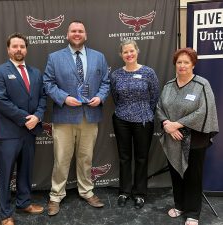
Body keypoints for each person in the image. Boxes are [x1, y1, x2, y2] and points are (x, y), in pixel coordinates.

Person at [43, 20, 110, 216]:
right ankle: (56, 196)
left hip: (90, 116)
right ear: (67, 34)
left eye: (80, 31)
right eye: (73, 31)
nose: (77, 33)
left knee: (86, 158)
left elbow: (105, 82)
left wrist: (100, 97)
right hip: (64, 116)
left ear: (85, 35)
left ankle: (87, 191)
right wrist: (64, 98)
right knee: (61, 159)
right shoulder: (55, 58)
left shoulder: (99, 57)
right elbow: (48, 83)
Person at [156, 48, 219, 225]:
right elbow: (160, 107)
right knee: (176, 173)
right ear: (175, 64)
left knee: (193, 176)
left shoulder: (201, 84)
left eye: (186, 62)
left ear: (193, 64)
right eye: (179, 62)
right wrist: (167, 124)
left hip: (195, 139)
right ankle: (180, 205)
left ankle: (193, 212)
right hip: (172, 137)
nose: (182, 65)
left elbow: (204, 111)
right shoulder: (168, 85)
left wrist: (178, 124)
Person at [0, 32, 46, 225]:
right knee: (5, 175)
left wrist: (38, 116)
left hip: (30, 131)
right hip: (9, 132)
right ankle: (5, 214)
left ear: (26, 49)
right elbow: (1, 101)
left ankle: (24, 203)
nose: (19, 49)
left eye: (22, 46)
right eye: (15, 46)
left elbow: (42, 98)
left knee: (26, 170)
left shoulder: (36, 72)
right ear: (8, 49)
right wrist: (25, 119)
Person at [110, 40, 159, 209]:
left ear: (137, 51)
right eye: (125, 52)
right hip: (121, 119)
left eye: (132, 51)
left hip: (144, 120)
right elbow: (115, 98)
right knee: (124, 158)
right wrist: (127, 110)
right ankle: (124, 191)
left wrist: (144, 111)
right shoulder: (116, 75)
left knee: (141, 158)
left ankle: (139, 193)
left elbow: (154, 97)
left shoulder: (148, 72)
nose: (129, 54)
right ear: (121, 55)